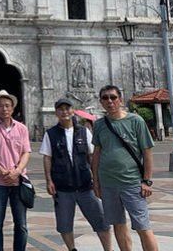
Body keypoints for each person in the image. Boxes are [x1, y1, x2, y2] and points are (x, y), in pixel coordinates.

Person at [91, 85, 158, 251]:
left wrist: (147, 181)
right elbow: (96, 155)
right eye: (105, 98)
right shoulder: (99, 124)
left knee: (143, 226)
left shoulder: (136, 121)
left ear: (120, 99)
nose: (110, 101)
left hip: (132, 182)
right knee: (118, 225)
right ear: (101, 102)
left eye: (113, 97)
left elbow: (147, 152)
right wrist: (96, 182)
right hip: (108, 184)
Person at [40, 97, 111, 251]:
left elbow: (92, 157)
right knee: (64, 224)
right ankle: (72, 249)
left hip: (85, 185)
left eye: (67, 108)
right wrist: (48, 180)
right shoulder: (51, 134)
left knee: (101, 220)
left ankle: (108, 249)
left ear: (73, 111)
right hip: (62, 187)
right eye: (61, 109)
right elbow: (47, 157)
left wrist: (97, 179)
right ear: (56, 113)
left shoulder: (84, 132)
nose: (64, 112)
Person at [0, 90, 31, 251]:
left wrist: (17, 171)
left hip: (19, 181)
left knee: (21, 224)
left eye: (7, 105)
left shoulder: (22, 128)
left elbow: (26, 152)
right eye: (1, 106)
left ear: (12, 108)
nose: (4, 109)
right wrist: (1, 171)